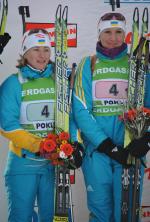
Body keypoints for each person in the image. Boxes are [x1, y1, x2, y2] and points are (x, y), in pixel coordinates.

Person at [70, 12, 150, 222]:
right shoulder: (88, 64)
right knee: (100, 212)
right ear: (99, 33)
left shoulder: (139, 65)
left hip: (131, 150)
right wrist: (106, 146)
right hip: (98, 152)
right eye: (107, 32)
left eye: (118, 32)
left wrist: (146, 139)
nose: (113, 37)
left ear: (125, 34)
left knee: (128, 213)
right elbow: (80, 109)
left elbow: (148, 104)